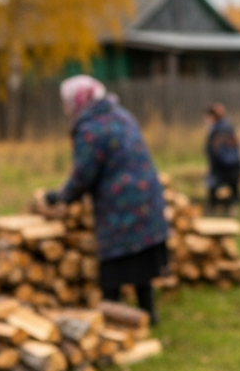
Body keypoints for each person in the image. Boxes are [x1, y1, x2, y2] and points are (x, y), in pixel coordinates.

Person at [45, 75, 168, 324]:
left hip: (121, 206)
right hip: (146, 198)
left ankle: (114, 321)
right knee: (141, 260)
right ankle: (148, 314)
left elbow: (84, 174)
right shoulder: (119, 114)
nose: (66, 109)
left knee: (114, 267)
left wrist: (62, 197)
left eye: (67, 103)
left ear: (78, 101)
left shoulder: (91, 128)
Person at [204, 102, 240, 215]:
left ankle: (228, 209)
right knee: (216, 187)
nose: (208, 117)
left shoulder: (223, 127)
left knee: (230, 186)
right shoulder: (219, 126)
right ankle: (215, 208)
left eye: (211, 114)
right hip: (224, 163)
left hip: (227, 163)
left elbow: (220, 146)